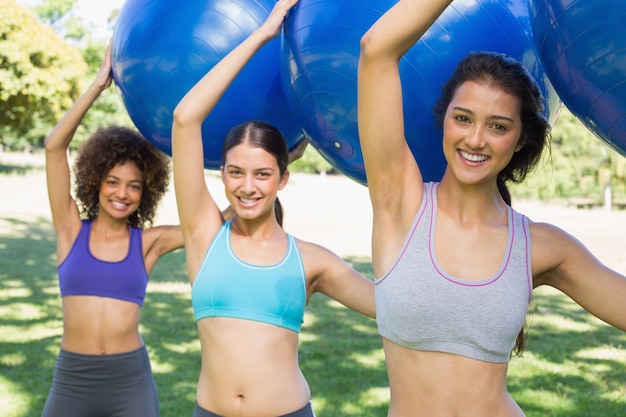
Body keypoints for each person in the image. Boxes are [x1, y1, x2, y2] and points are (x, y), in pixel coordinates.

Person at [357, 0, 626, 416]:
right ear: (444, 120)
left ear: (520, 140)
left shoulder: (540, 246)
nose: (476, 139)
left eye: (498, 126)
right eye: (463, 118)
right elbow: (376, 49)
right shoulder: (400, 203)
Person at [171, 0, 375, 416]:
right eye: (235, 173)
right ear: (223, 175)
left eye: (262, 174)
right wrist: (264, 33)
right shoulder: (203, 234)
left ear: (283, 178)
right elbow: (184, 119)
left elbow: (392, 309)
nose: (247, 187)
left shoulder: (312, 261)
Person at [42, 42, 184, 417]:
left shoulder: (149, 244)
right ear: (95, 182)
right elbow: (54, 148)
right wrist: (97, 86)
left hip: (130, 383)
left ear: (147, 191)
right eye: (113, 181)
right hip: (73, 379)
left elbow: (212, 222)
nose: (122, 193)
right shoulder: (70, 229)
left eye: (134, 185)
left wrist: (274, 166)